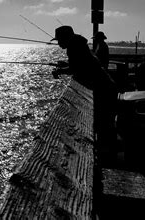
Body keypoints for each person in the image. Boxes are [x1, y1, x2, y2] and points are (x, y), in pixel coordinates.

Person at [51, 25, 118, 163]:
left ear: (65, 38)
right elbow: (80, 65)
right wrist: (65, 66)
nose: (58, 43)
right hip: (105, 86)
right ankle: (106, 158)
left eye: (59, 40)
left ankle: (107, 161)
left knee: (104, 125)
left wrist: (60, 71)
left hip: (103, 89)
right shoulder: (78, 45)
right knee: (104, 125)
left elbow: (76, 68)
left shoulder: (74, 47)